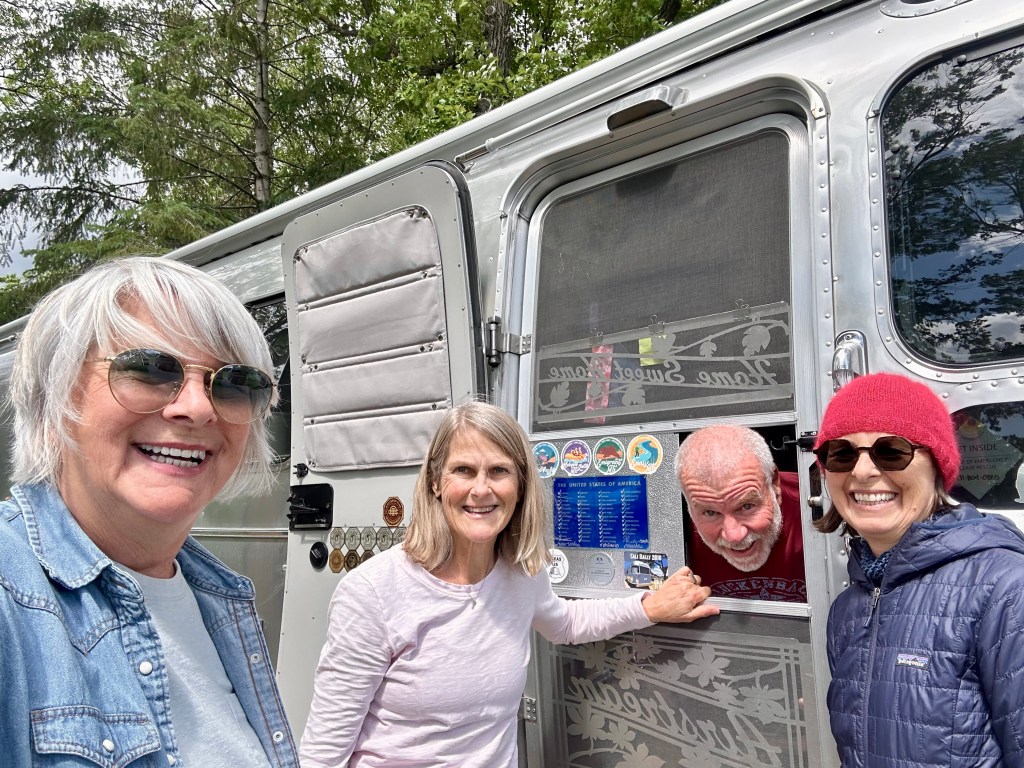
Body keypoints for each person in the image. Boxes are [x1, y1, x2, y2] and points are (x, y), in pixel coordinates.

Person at [300, 402, 720, 767]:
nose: (481, 489)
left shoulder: (520, 573)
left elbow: (565, 623)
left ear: (519, 486)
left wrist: (649, 607)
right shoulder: (373, 592)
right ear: (435, 482)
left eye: (499, 471)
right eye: (463, 470)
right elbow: (323, 753)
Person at [0, 257, 299, 767]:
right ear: (55, 399)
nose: (198, 408)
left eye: (233, 383)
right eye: (149, 369)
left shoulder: (216, 598)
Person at [813, 372, 1024, 767]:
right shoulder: (848, 607)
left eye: (892, 451)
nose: (862, 471)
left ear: (936, 467)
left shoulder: (1007, 588)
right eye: (841, 453)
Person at [676, 425, 806, 601]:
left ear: (774, 484)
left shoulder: (816, 505)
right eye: (710, 512)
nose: (734, 536)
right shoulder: (673, 530)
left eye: (746, 506)